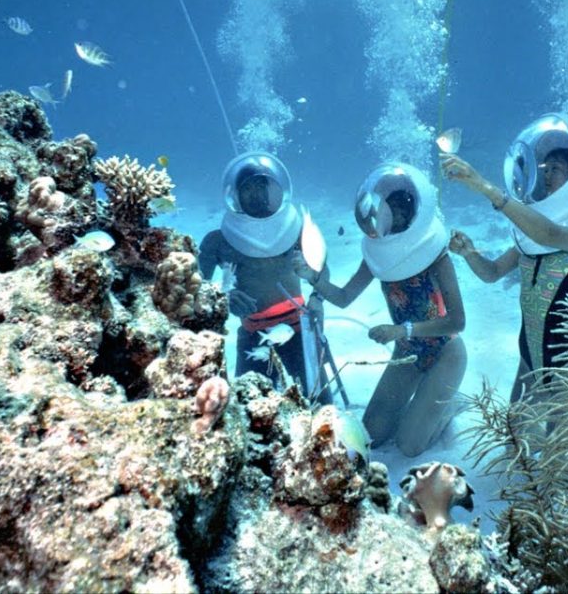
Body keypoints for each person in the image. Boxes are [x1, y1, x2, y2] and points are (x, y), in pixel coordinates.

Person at [440, 113, 568, 403]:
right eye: (544, 169)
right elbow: (492, 273)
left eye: (556, 169)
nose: (545, 176)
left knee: (566, 436)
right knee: (514, 435)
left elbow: (551, 234)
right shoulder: (531, 238)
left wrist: (484, 186)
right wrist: (469, 253)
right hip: (528, 363)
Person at [294, 163, 466, 457]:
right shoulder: (378, 255)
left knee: (409, 445)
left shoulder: (437, 256)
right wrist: (312, 277)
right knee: (372, 434)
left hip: (445, 352)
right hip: (408, 352)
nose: (393, 218)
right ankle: (426, 404)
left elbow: (457, 322)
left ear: (412, 216)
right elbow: (344, 297)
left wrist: (402, 330)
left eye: (400, 212)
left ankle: (450, 404)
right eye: (389, 211)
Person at [199, 151, 331, 403]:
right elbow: (196, 286)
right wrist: (223, 296)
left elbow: (322, 267)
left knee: (320, 405)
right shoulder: (218, 242)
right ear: (235, 194)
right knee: (251, 408)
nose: (256, 194)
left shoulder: (296, 229)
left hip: (298, 329)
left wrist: (317, 298)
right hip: (253, 334)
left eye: (262, 186)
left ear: (276, 189)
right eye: (247, 188)